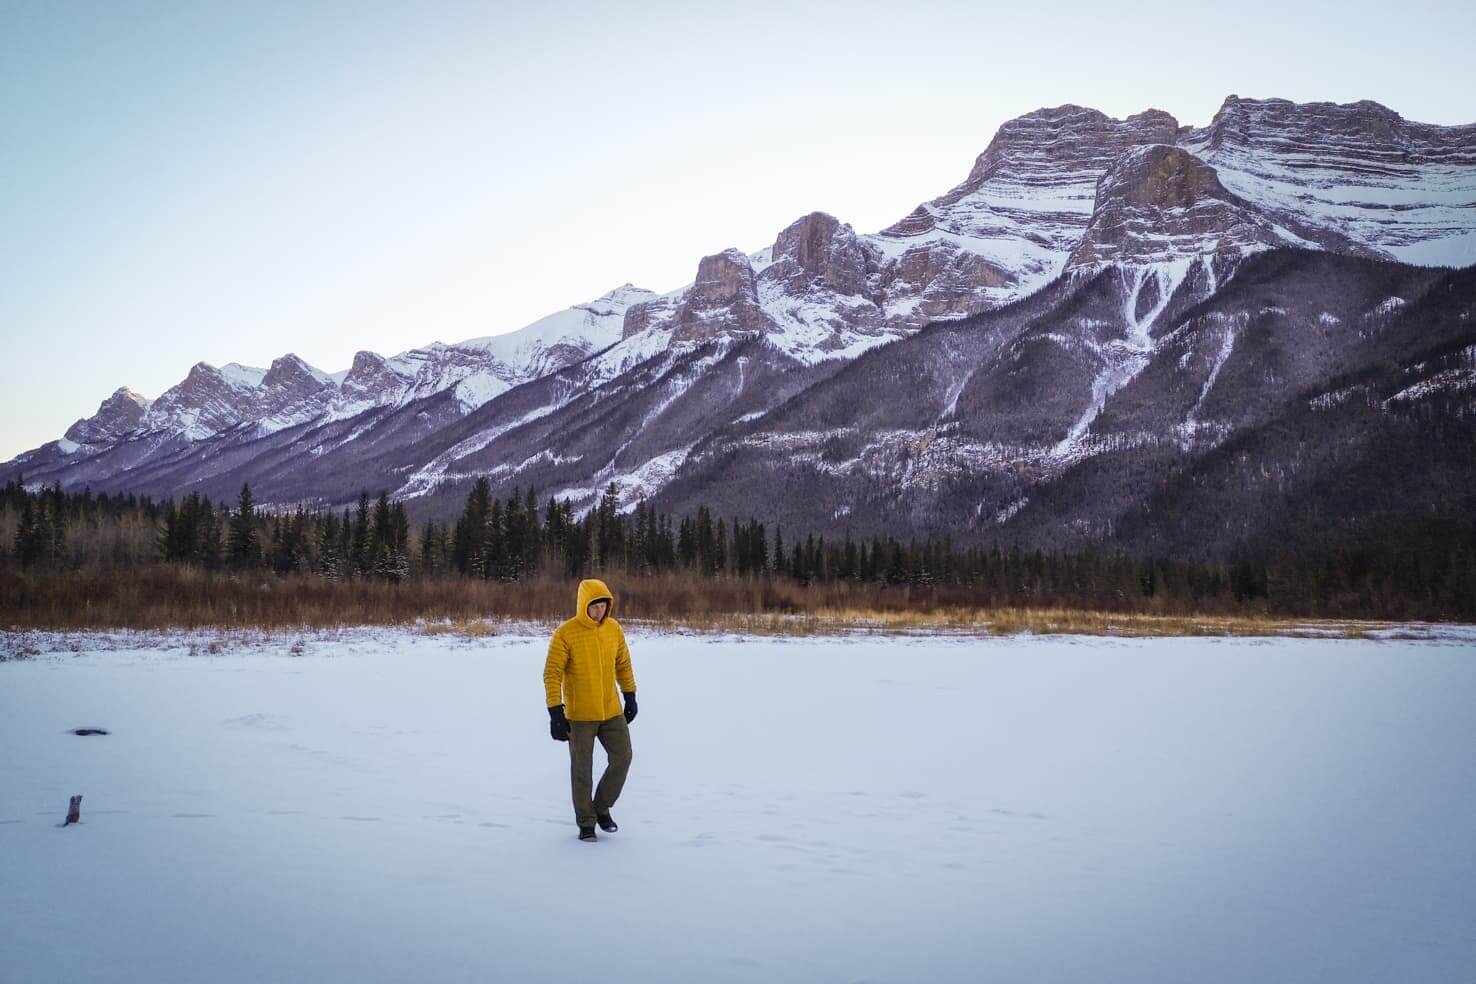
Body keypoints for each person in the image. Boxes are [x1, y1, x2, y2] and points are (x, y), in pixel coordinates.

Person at [543, 578, 637, 841]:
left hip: (611, 710)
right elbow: (552, 673)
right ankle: (586, 821)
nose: (599, 612)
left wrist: (630, 696)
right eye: (594, 606)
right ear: (584, 605)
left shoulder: (613, 629)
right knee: (582, 771)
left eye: (604, 606)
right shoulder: (566, 632)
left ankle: (601, 807)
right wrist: (555, 712)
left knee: (623, 757)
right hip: (579, 715)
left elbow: (623, 664)